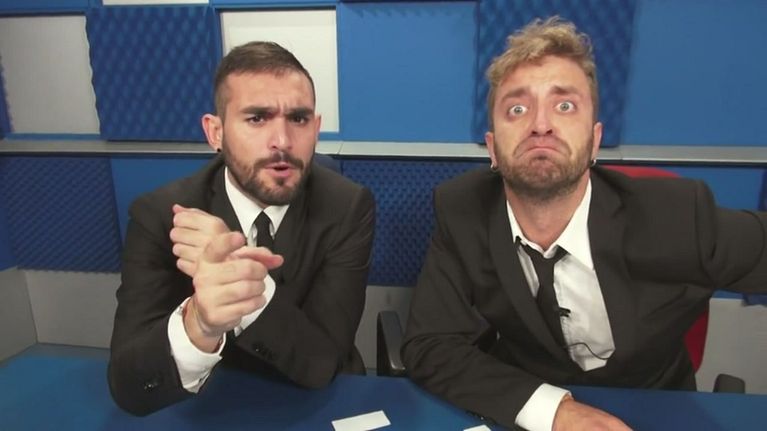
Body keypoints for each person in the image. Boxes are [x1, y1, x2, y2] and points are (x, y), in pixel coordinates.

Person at [402, 17, 767, 431]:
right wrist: (554, 412)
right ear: (493, 149)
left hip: (657, 408)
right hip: (528, 407)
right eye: (517, 109)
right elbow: (430, 344)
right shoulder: (462, 210)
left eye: (564, 106)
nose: (540, 124)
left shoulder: (677, 216)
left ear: (595, 140)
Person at [108, 41, 375, 416]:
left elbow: (322, 362)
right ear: (215, 132)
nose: (282, 142)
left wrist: (245, 285)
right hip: (215, 404)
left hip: (321, 400)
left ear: (316, 128)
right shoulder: (161, 216)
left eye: (298, 119)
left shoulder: (348, 206)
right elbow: (130, 389)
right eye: (257, 119)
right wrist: (198, 326)